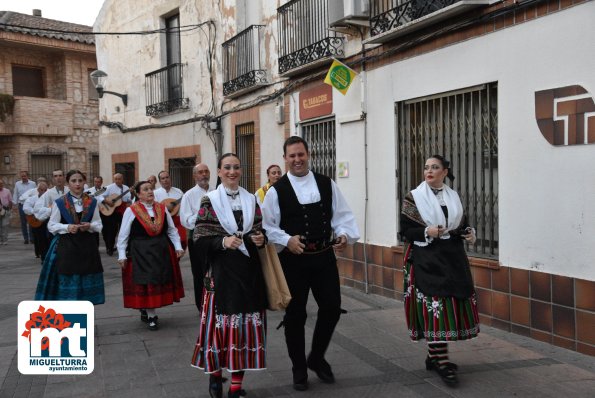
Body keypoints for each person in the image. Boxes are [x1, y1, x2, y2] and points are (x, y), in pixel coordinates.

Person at [262, 136, 360, 391]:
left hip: (324, 257)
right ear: (285, 158)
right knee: (295, 315)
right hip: (292, 261)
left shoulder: (326, 184)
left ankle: (316, 357)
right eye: (292, 156)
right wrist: (286, 239)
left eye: (301, 154)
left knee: (332, 307)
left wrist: (343, 234)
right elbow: (267, 226)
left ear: (308, 155)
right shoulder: (276, 191)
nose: (297, 160)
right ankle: (298, 368)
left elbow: (342, 216)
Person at [190, 153, 267, 398]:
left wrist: (259, 239)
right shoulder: (209, 200)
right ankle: (215, 376)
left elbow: (258, 229)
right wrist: (222, 241)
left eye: (236, 167)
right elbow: (199, 238)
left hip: (247, 274)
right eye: (227, 167)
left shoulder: (251, 199)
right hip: (220, 277)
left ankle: (235, 386)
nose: (232, 171)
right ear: (220, 172)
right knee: (218, 332)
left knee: (243, 331)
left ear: (240, 170)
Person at [399, 155, 479, 386]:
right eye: (426, 167)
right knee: (436, 308)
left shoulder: (452, 196)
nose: (429, 171)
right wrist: (427, 232)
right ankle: (442, 362)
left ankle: (434, 358)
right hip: (426, 259)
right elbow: (405, 231)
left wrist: (468, 232)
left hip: (452, 258)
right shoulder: (413, 197)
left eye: (435, 167)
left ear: (445, 172)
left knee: (448, 306)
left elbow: (460, 223)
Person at [116, 180, 185, 331]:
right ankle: (152, 316)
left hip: (160, 250)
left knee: (157, 281)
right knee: (146, 282)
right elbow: (123, 235)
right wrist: (122, 255)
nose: (150, 192)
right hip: (140, 251)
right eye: (145, 189)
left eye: (151, 189)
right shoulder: (131, 210)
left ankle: (147, 311)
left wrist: (178, 246)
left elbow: (171, 230)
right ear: (138, 194)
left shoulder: (161, 208)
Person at [34, 170, 104, 304]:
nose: (77, 184)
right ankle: (70, 319)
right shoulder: (60, 202)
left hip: (87, 247)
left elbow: (99, 224)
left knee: (86, 280)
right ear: (68, 183)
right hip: (66, 246)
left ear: (84, 182)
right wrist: (66, 227)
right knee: (69, 280)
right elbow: (51, 225)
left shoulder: (92, 202)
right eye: (73, 181)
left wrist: (89, 226)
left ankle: (87, 318)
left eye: (80, 181)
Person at [179, 163, 211, 311]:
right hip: (197, 240)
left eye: (206, 171)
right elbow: (185, 220)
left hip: (216, 239)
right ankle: (202, 306)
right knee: (199, 273)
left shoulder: (216, 191)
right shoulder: (189, 195)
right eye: (200, 172)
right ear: (194, 176)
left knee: (215, 271)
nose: (204, 174)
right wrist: (203, 216)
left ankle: (216, 303)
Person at [33, 170, 69, 259]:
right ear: (53, 179)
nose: (58, 178)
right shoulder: (48, 193)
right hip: (54, 224)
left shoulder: (70, 190)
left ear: (64, 177)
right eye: (55, 176)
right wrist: (52, 210)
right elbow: (37, 210)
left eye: (60, 175)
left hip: (69, 223)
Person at [99, 173, 132, 256]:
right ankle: (110, 248)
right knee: (111, 231)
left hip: (123, 212)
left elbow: (128, 199)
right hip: (112, 212)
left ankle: (125, 248)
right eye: (116, 179)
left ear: (122, 179)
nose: (117, 180)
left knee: (124, 230)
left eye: (119, 178)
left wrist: (129, 200)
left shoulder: (126, 188)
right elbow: (98, 195)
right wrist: (107, 201)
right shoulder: (108, 187)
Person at [154, 170, 186, 249]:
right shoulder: (155, 193)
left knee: (182, 241)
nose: (165, 180)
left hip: (177, 220)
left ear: (170, 178)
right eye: (163, 178)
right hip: (163, 221)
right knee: (168, 245)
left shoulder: (178, 192)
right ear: (160, 181)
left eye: (167, 177)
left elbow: (184, 206)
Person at [23, 182, 49, 260]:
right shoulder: (32, 199)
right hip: (35, 220)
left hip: (46, 221)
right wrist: (36, 212)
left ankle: (45, 255)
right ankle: (39, 253)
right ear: (38, 190)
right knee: (38, 238)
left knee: (46, 238)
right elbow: (25, 208)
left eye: (45, 190)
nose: (43, 192)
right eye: (42, 190)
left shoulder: (48, 199)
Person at [13, 171, 36, 244]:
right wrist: (14, 204)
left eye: (24, 176)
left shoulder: (33, 184)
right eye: (22, 176)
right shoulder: (17, 184)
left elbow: (35, 193)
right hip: (21, 205)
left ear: (27, 176)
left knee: (31, 222)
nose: (23, 177)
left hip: (30, 206)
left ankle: (32, 238)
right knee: (23, 223)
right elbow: (15, 194)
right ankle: (26, 238)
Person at [0, 178, 13, 245]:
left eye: (1, 184)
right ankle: (0, 240)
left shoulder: (7, 191)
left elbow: (10, 201)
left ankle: (5, 240)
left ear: (3, 184)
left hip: (5, 210)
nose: (0, 185)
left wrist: (9, 210)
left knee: (5, 225)